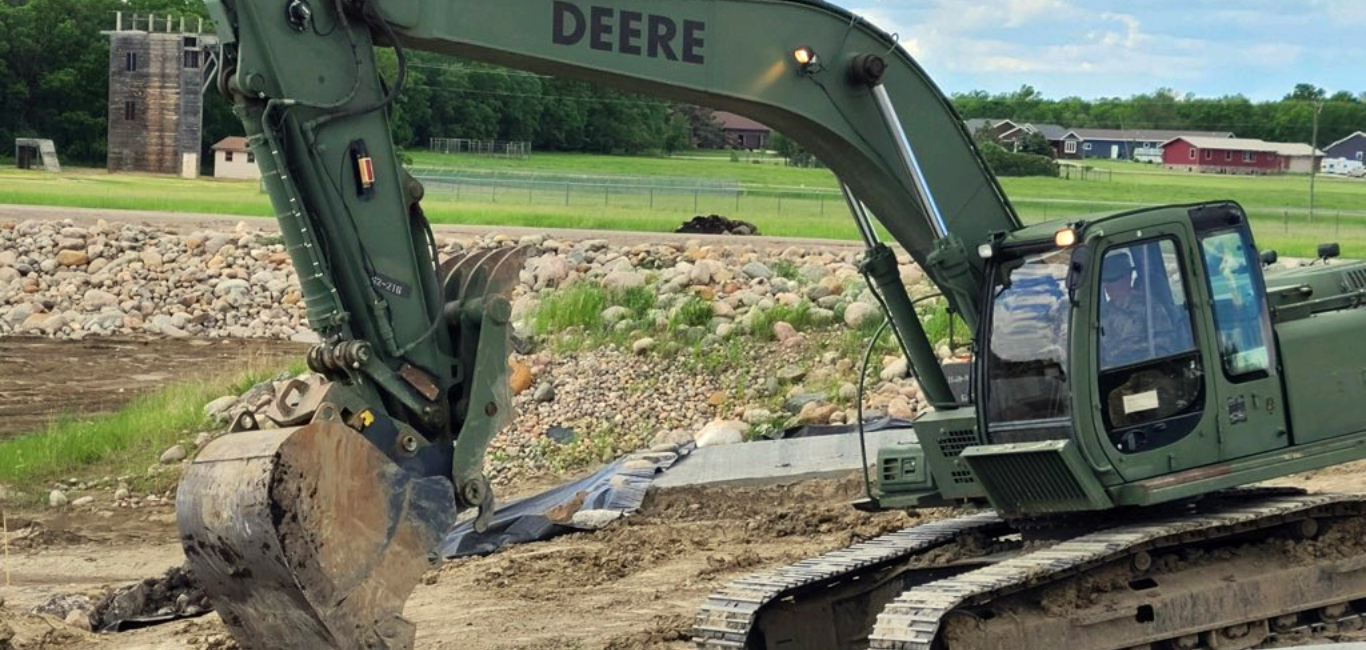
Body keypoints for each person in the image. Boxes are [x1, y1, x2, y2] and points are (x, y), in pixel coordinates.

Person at [1100, 252, 1174, 368]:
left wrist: (1124, 351)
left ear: (1127, 277)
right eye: (1106, 281)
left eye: (1113, 279)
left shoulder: (1150, 308)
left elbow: (1164, 346)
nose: (1108, 286)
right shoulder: (1103, 314)